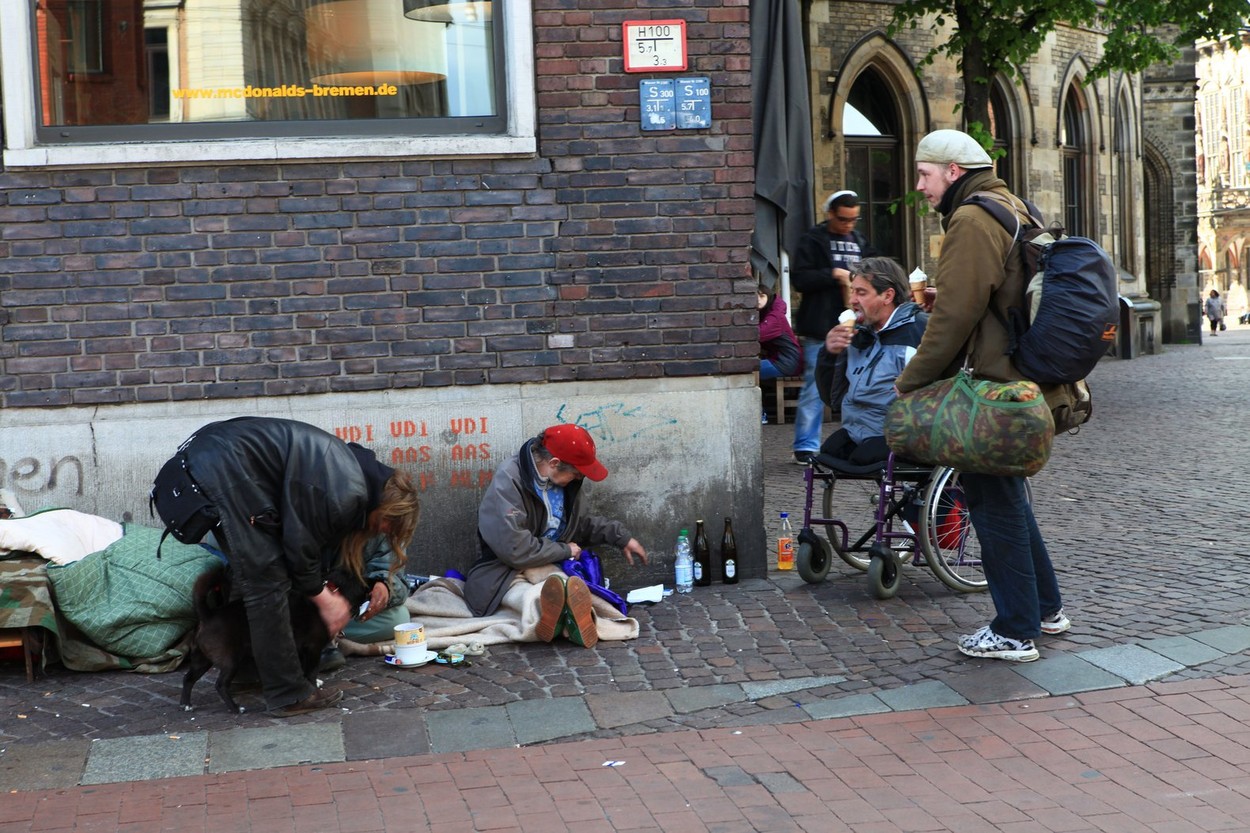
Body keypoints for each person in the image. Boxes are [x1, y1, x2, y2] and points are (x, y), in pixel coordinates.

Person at [894, 129, 1070, 663]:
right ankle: (1045, 610)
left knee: (992, 505)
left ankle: (1015, 630)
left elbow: (955, 316)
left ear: (952, 171)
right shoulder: (1010, 203)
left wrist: (912, 383)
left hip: (991, 390)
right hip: (1018, 381)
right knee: (1007, 498)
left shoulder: (972, 218)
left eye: (924, 175)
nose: (920, 187)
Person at [157, 417, 420, 715]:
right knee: (266, 583)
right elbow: (299, 548)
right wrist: (325, 599)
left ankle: (255, 673)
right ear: (387, 510)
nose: (384, 532)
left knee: (265, 578)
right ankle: (288, 695)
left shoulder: (353, 475)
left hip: (215, 458)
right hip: (225, 469)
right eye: (388, 525)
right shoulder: (348, 492)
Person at [465, 424, 648, 648]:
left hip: (548, 564)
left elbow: (579, 525)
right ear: (554, 464)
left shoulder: (566, 484)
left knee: (561, 584)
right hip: (503, 571)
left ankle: (571, 615)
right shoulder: (509, 480)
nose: (579, 478)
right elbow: (514, 549)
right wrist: (565, 550)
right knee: (529, 595)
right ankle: (562, 616)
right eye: (576, 473)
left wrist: (621, 537)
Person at [790, 190, 877, 464]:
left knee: (865, 385)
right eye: (843, 219)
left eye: (854, 220)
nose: (848, 225)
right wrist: (832, 275)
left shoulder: (860, 241)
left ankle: (860, 442)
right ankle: (805, 446)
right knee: (815, 386)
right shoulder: (813, 240)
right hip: (822, 325)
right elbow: (800, 279)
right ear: (830, 214)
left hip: (859, 326)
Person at [815, 257, 928, 465]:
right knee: (827, 452)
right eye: (852, 291)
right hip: (857, 429)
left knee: (863, 457)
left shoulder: (918, 332)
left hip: (901, 433)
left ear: (887, 295)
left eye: (861, 292)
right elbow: (832, 398)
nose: (853, 301)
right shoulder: (858, 335)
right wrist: (829, 353)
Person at [318, 534, 412, 672]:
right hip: (308, 598)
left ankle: (330, 632)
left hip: (348, 602)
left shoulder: (390, 521)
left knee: (399, 619)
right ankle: (316, 635)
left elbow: (395, 575)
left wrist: (385, 586)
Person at [758, 285, 803, 424]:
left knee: (750, 370)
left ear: (769, 297)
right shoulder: (766, 313)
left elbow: (758, 334)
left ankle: (760, 414)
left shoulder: (774, 317)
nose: (758, 300)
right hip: (781, 360)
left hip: (786, 362)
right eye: (754, 296)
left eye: (761, 296)